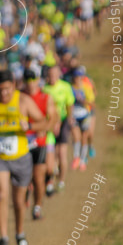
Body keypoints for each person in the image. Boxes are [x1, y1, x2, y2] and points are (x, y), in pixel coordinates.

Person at [0, 70, 49, 245]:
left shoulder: (23, 101)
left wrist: (30, 126)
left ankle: (19, 234)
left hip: (21, 157)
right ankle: (3, 237)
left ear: (13, 86)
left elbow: (44, 122)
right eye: (0, 90)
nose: (4, 94)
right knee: (1, 193)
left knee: (18, 200)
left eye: (7, 89)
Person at [23, 69, 56, 219]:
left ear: (38, 80)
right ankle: (26, 195)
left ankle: (37, 206)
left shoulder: (45, 97)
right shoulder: (20, 97)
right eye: (27, 80)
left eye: (33, 79)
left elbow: (52, 119)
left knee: (38, 176)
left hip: (40, 142)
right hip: (22, 142)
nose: (30, 83)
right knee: (26, 176)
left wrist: (37, 128)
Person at [44, 63, 75, 192]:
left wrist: (69, 119)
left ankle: (61, 181)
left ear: (58, 75)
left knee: (61, 153)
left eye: (54, 75)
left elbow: (69, 104)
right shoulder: (44, 88)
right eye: (50, 75)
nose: (52, 77)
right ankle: (50, 180)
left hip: (63, 122)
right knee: (50, 153)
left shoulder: (65, 87)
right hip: (49, 124)